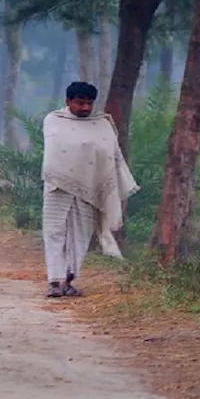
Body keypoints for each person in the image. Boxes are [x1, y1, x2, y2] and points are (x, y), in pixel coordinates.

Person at [40, 81, 140, 298]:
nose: (85, 108)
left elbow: (109, 153)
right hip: (58, 187)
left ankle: (68, 280)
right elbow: (57, 151)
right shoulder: (54, 120)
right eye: (79, 103)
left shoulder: (101, 124)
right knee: (54, 233)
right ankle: (54, 281)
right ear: (68, 102)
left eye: (89, 103)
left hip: (90, 187)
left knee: (81, 236)